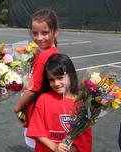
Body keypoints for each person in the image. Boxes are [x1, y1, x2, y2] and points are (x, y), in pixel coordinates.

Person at [27, 54, 92, 152]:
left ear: (71, 75)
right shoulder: (43, 99)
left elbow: (84, 138)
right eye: (51, 80)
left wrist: (72, 149)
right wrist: (54, 146)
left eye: (60, 77)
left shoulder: (81, 103)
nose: (56, 83)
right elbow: (36, 130)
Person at [14, 9, 59, 148]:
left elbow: (34, 88)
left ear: (55, 32)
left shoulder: (44, 56)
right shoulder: (52, 52)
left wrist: (18, 107)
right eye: (35, 33)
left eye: (45, 33)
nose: (39, 38)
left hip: (39, 111)